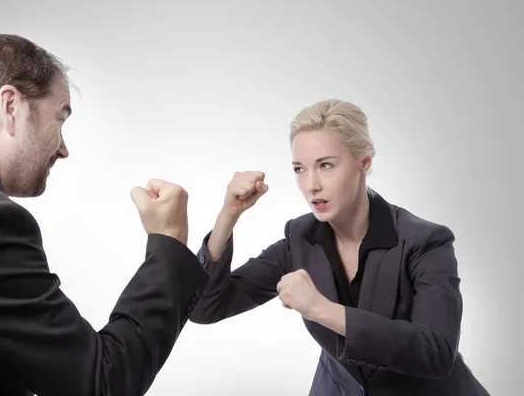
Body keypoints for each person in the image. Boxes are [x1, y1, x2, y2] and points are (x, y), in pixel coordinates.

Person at [0, 33, 209, 396]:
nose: (63, 148)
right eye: (60, 119)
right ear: (11, 106)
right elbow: (101, 384)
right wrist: (168, 244)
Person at [190, 99, 490, 396]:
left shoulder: (425, 241)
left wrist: (321, 309)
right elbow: (205, 308)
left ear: (364, 162)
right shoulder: (300, 238)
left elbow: (436, 352)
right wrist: (228, 215)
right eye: (299, 169)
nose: (311, 185)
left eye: (325, 165)